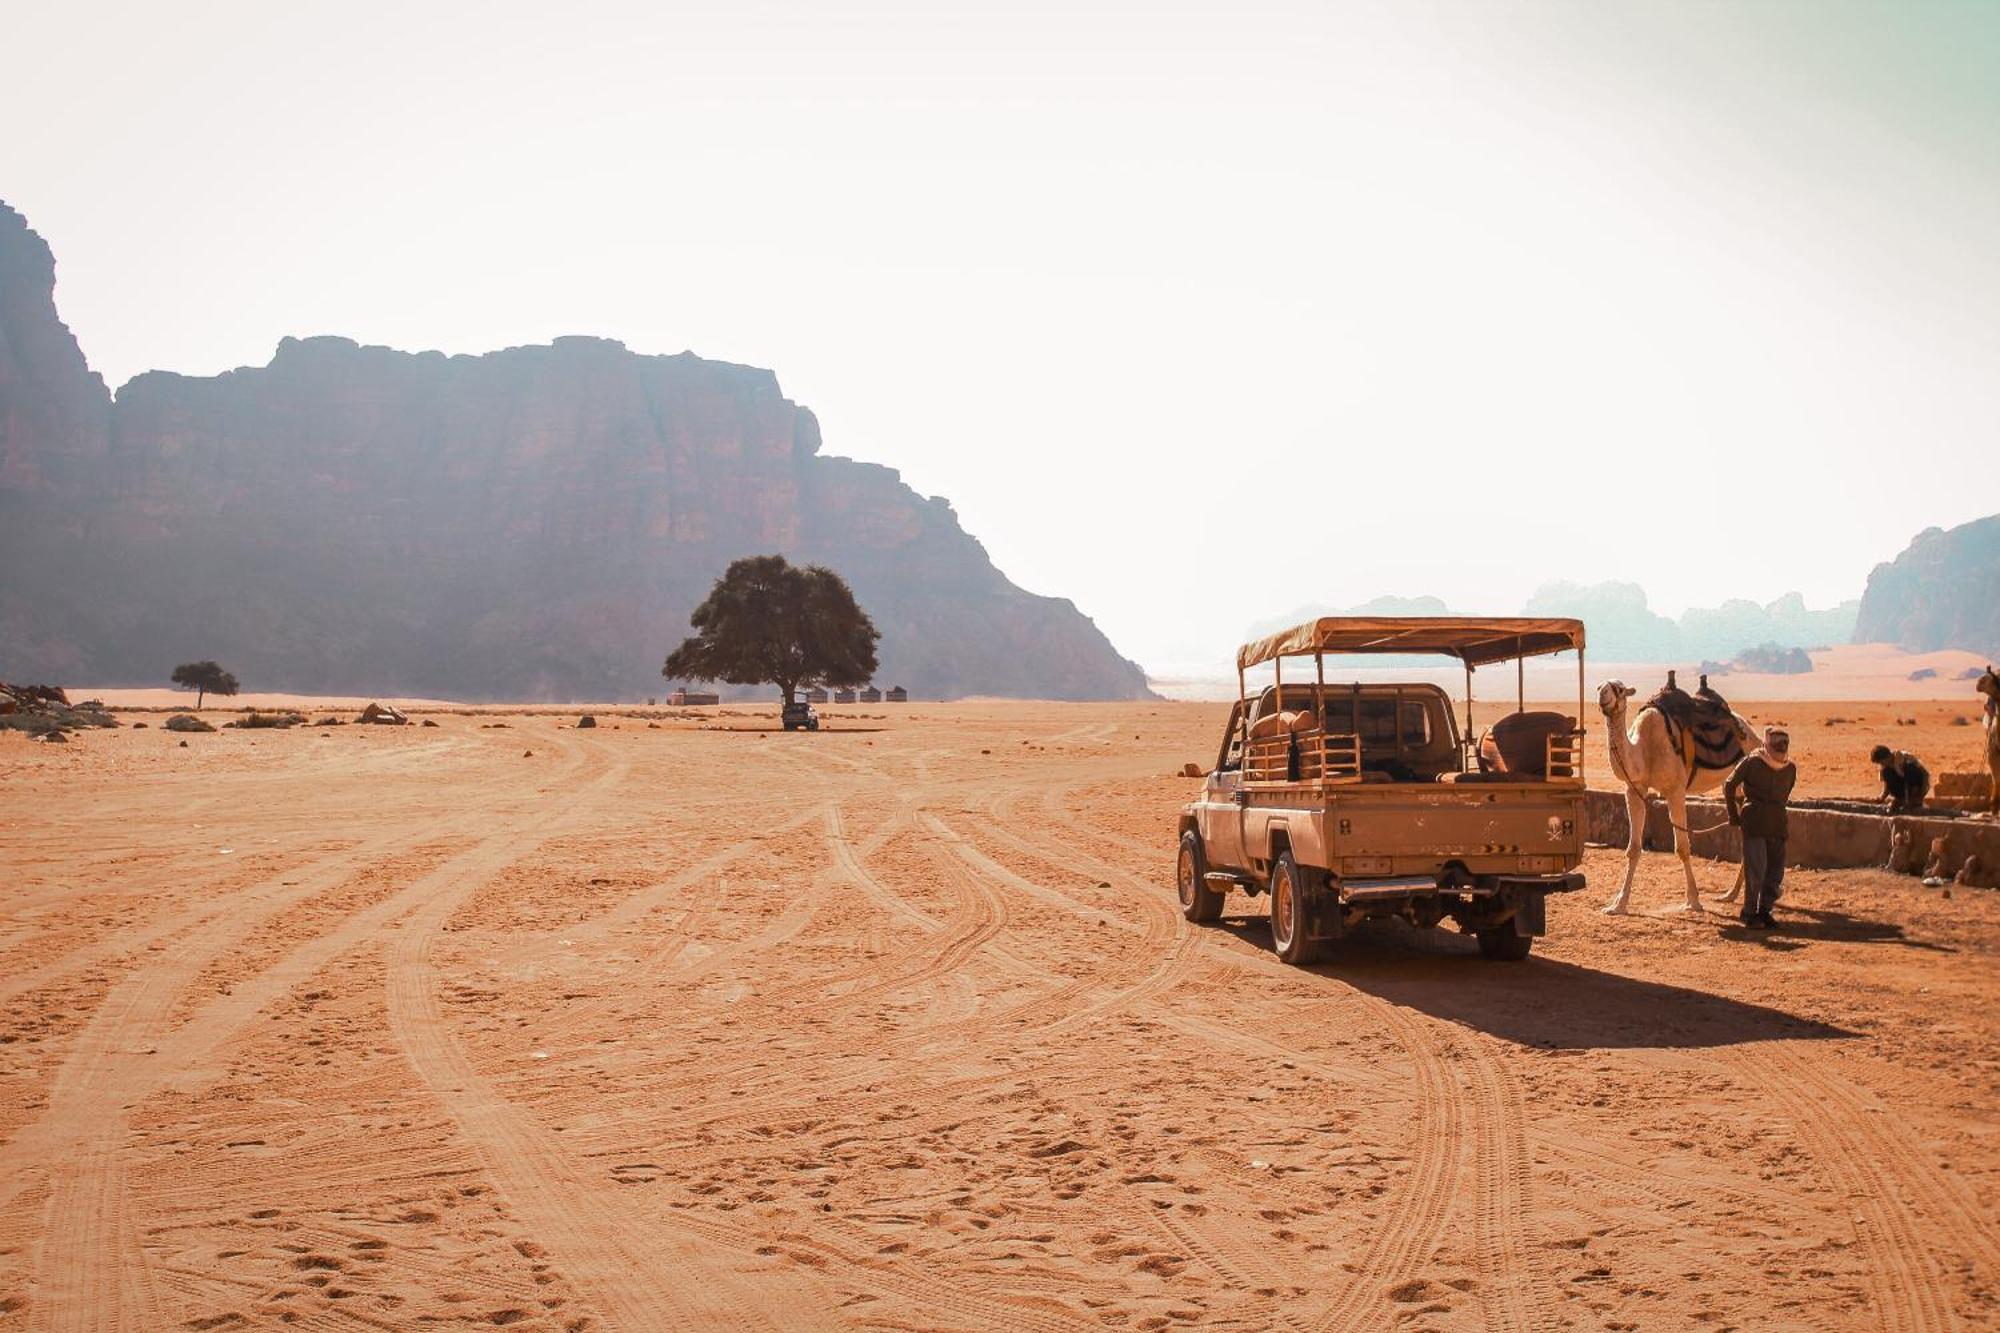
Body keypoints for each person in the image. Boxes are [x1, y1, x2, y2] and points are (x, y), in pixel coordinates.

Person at [1724, 726, 1797, 930]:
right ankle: (1749, 913)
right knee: (1756, 871)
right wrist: (1733, 814)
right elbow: (1729, 786)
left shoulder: (1790, 768)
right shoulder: (1753, 762)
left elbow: (1730, 785)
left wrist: (1735, 814)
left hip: (1776, 825)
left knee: (1775, 873)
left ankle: (1764, 911)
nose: (1781, 747)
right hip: (1756, 823)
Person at [1870, 744, 1930, 813]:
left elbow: (1923, 777)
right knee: (1887, 772)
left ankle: (1914, 800)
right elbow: (1886, 785)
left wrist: (1919, 796)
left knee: (1908, 768)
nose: (1881, 764)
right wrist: (1881, 798)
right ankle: (1900, 799)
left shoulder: (1905, 759)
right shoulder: (1885, 768)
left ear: (1888, 757)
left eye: (1881, 762)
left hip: (1920, 786)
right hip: (1903, 790)